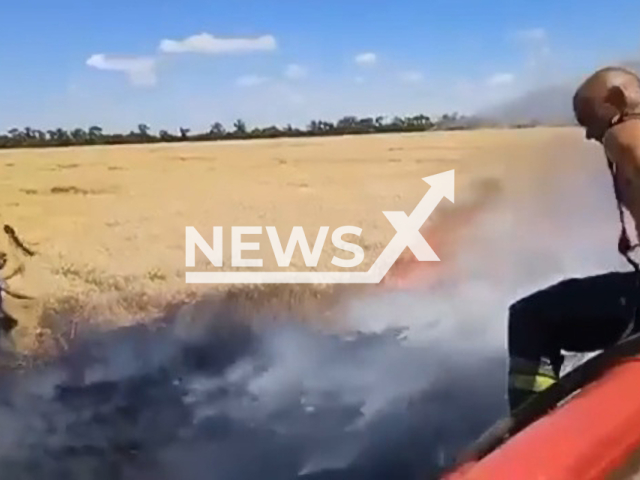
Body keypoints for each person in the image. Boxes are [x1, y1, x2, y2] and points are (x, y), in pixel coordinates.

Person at [507, 66, 640, 412]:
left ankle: (530, 428)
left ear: (617, 100)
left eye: (589, 120)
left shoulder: (624, 132)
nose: (588, 135)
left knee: (529, 317)